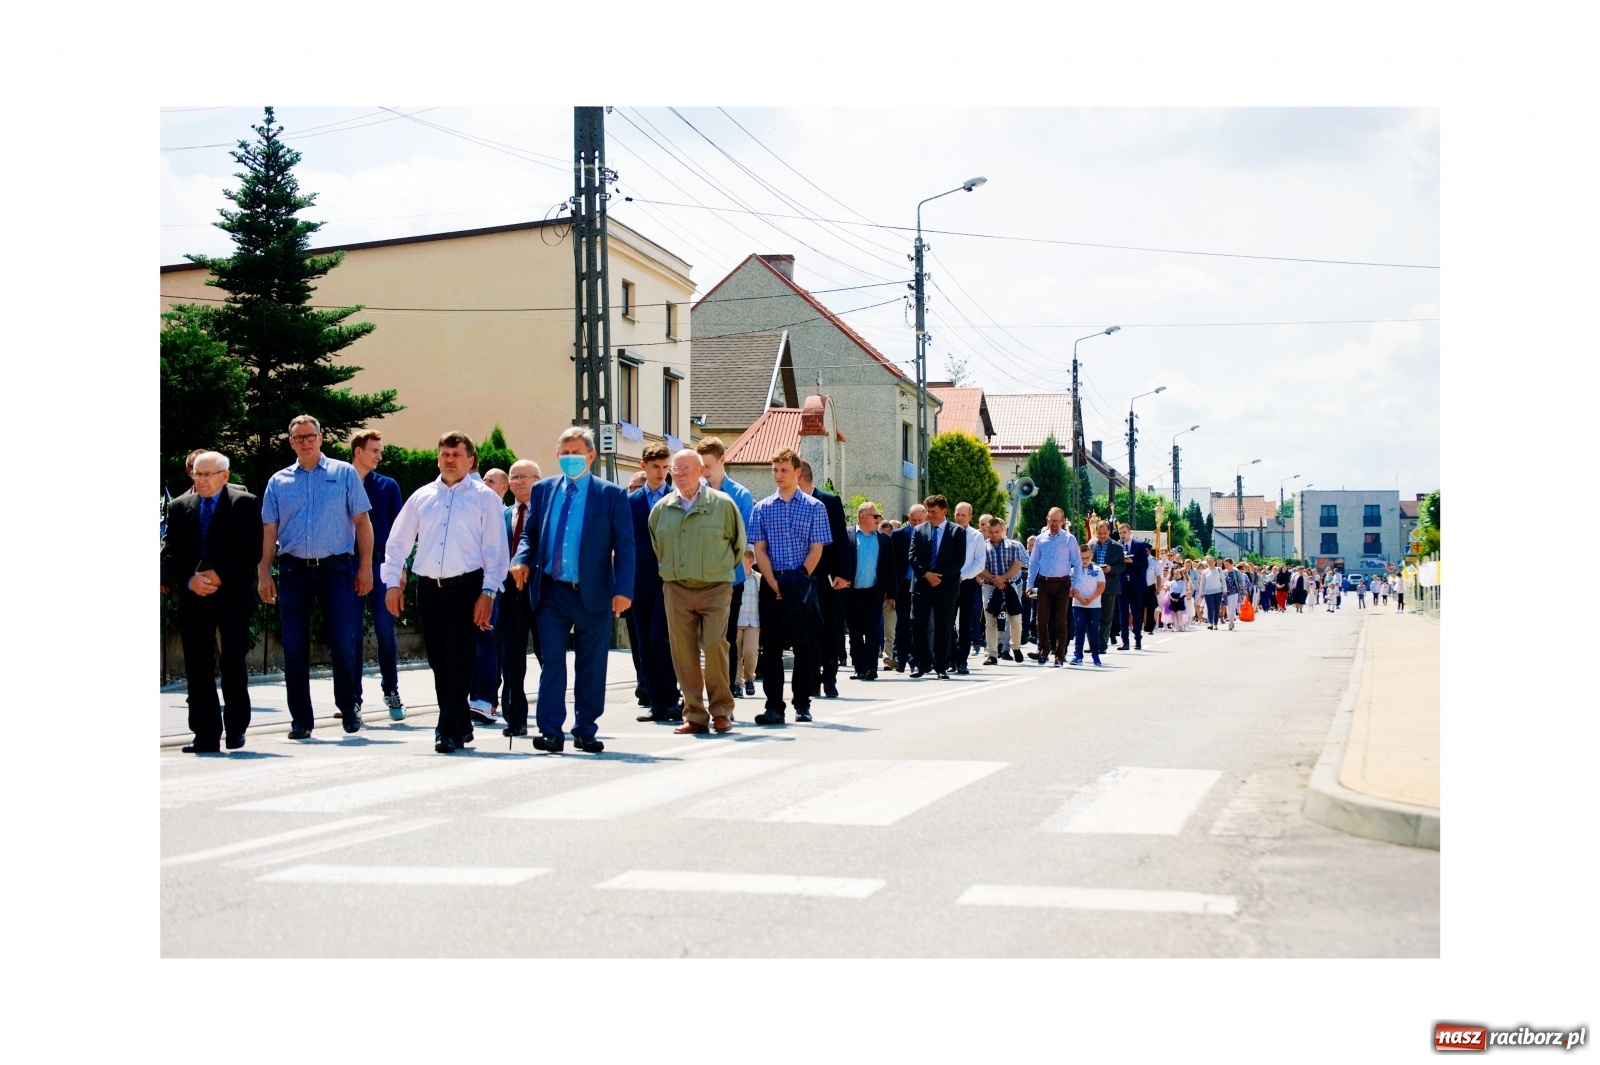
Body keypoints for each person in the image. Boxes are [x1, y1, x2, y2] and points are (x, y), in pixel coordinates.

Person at [508, 426, 635, 753]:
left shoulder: (611, 495)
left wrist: (623, 590)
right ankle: (551, 731)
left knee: (591, 664)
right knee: (552, 661)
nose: (570, 459)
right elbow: (529, 535)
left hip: (593, 592)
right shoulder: (543, 490)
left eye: (577, 453)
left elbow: (625, 545)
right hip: (551, 590)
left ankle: (585, 728)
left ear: (591, 456)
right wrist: (521, 559)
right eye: (565, 453)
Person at [381, 431, 508, 754]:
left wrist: (488, 592)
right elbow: (397, 542)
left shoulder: (485, 498)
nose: (450, 460)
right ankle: (462, 724)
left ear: (470, 461)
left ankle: (447, 729)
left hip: (468, 587)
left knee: (458, 660)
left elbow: (495, 550)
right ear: (438, 458)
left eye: (456, 455)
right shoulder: (422, 496)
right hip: (429, 589)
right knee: (438, 661)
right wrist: (393, 583)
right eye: (445, 454)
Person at [258, 414, 374, 739]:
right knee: (294, 646)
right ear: (291, 442)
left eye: (311, 436)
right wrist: (264, 572)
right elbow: (269, 530)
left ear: (321, 438)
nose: (306, 441)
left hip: (336, 569)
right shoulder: (278, 481)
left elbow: (363, 523)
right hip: (293, 570)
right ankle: (301, 720)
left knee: (342, 640)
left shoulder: (344, 473)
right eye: (299, 437)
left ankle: (349, 707)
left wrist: (364, 567)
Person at [162, 452, 264, 753]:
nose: (202, 480)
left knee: (232, 660)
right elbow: (170, 554)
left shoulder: (244, 503)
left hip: (232, 594)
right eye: (197, 474)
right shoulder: (179, 507)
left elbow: (251, 552)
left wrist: (219, 576)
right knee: (197, 665)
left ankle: (235, 729)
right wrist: (190, 580)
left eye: (208, 474)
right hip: (195, 597)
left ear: (225, 476)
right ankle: (205, 734)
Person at [649, 449, 745, 735]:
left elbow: (738, 546)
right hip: (676, 588)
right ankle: (694, 714)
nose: (679, 475)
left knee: (715, 646)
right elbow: (658, 547)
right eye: (674, 470)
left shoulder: (723, 504)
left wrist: (718, 571)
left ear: (701, 471)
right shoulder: (661, 509)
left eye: (686, 469)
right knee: (683, 653)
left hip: (715, 587)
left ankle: (721, 712)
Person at [747, 448, 831, 724]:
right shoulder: (762, 508)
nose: (778, 475)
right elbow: (759, 549)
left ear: (797, 473)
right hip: (773, 583)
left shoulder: (815, 507)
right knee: (770, 646)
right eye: (774, 470)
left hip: (801, 583)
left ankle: (802, 703)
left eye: (784, 470)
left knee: (803, 646)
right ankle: (773, 705)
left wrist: (797, 580)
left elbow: (816, 549)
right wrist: (774, 583)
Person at [350, 430, 407, 720]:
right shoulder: (339, 483)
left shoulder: (387, 486)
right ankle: (352, 698)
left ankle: (391, 690)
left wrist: (401, 568)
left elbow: (400, 530)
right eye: (374, 450)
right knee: (351, 634)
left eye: (380, 450)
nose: (379, 456)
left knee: (386, 631)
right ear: (358, 451)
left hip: (381, 566)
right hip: (346, 566)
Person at [697, 436, 755, 702]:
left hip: (730, 578)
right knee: (698, 639)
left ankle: (728, 688)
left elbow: (738, 538)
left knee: (726, 637)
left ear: (723, 460)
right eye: (701, 466)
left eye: (708, 465)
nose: (704, 471)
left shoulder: (741, 495)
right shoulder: (693, 492)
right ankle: (696, 690)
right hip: (697, 579)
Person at [629, 442, 681, 724]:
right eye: (655, 467)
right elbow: (623, 544)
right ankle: (656, 703)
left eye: (665, 467)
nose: (661, 473)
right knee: (644, 644)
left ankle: (673, 698)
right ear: (644, 467)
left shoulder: (677, 499)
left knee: (660, 638)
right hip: (639, 582)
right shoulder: (631, 502)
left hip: (669, 580)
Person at [496, 459, 542, 737]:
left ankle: (552, 715)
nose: (520, 482)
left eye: (526, 477)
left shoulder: (547, 514)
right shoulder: (502, 515)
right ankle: (515, 719)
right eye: (514, 477)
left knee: (547, 656)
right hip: (509, 594)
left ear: (539, 481)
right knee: (511, 659)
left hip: (540, 593)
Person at [796, 460, 849, 698]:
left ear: (800, 476)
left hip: (825, 577)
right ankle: (811, 678)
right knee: (805, 630)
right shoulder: (790, 503)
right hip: (800, 577)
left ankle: (829, 677)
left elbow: (841, 540)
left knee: (828, 627)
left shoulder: (829, 501)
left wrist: (843, 574)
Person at [467, 468, 511, 725]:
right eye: (484, 479)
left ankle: (486, 698)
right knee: (477, 640)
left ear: (503, 487)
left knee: (487, 638)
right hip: (473, 582)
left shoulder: (504, 513)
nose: (485, 483)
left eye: (492, 481)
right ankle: (479, 697)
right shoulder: (476, 506)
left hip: (495, 585)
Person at [909, 494, 966, 680]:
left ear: (944, 511)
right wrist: (927, 575)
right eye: (928, 511)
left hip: (945, 587)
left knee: (944, 627)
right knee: (919, 625)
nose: (930, 515)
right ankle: (922, 662)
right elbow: (913, 556)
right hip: (922, 586)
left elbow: (958, 560)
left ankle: (941, 665)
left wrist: (939, 577)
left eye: (933, 512)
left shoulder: (957, 532)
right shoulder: (919, 530)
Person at [843, 500, 894, 681]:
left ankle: (872, 667)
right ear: (863, 517)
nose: (879, 519)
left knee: (873, 630)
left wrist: (891, 594)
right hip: (852, 593)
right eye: (875, 516)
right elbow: (838, 561)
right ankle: (858, 667)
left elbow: (890, 568)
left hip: (874, 593)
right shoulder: (846, 535)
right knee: (855, 632)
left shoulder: (884, 540)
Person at [1027, 508, 1079, 667]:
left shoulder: (1069, 539)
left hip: (1063, 583)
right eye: (1052, 520)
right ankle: (1044, 648)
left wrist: (1074, 585)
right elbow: (1033, 562)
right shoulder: (1040, 539)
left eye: (1058, 521)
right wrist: (1029, 584)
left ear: (1063, 521)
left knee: (1060, 620)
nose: (1055, 524)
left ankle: (1059, 653)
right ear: (1047, 520)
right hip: (1044, 582)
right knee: (1041, 620)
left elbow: (1076, 563)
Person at [980, 515, 1026, 665]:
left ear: (1003, 530)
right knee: (990, 620)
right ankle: (992, 654)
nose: (994, 535)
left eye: (997, 531)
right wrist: (995, 579)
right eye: (991, 532)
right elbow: (980, 567)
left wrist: (1003, 578)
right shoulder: (983, 547)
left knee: (1015, 619)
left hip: (1009, 585)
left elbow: (1017, 565)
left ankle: (1016, 646)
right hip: (989, 586)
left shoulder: (1012, 545)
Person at [951, 502, 988, 674]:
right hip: (948, 583)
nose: (959, 518)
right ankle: (951, 658)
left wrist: (962, 576)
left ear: (970, 517)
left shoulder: (976, 536)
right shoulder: (948, 532)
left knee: (965, 623)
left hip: (967, 583)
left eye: (963, 515)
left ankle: (962, 661)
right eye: (957, 514)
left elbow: (979, 563)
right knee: (947, 622)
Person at [888, 504, 926, 673]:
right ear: (907, 519)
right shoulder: (897, 535)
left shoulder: (929, 534)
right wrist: (890, 590)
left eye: (919, 520)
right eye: (913, 520)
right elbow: (892, 563)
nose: (916, 523)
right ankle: (899, 658)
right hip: (903, 584)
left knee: (917, 623)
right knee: (902, 622)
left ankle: (915, 659)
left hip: (922, 584)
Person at [1091, 522, 1126, 654]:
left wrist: (1110, 569)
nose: (1102, 536)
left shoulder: (1117, 547)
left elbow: (1122, 566)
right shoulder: (1091, 545)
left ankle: (1102, 644)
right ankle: (1093, 643)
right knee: (1093, 615)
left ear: (1109, 532)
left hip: (1110, 585)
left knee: (1106, 616)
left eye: (1104, 533)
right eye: (1099, 534)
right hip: (1093, 585)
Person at [1070, 543, 1107, 667]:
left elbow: (1101, 586)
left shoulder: (1097, 570)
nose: (1084, 561)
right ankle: (1078, 655)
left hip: (1094, 605)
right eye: (1082, 558)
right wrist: (1079, 598)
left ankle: (1095, 654)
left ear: (1091, 556)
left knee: (1093, 631)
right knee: (1079, 630)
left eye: (1087, 558)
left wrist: (1091, 598)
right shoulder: (1073, 571)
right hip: (1078, 604)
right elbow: (1070, 588)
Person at [736, 547, 761, 697]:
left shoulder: (759, 578)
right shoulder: (735, 579)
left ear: (750, 561)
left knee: (751, 652)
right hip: (738, 620)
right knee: (737, 654)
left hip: (753, 621)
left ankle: (749, 677)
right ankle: (737, 683)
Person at [1199, 558, 1226, 630]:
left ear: (1215, 562)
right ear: (1207, 563)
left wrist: (1224, 590)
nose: (1210, 563)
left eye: (1212, 562)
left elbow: (1223, 580)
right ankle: (1210, 623)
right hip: (1208, 592)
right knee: (1210, 607)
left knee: (1217, 608)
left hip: (1218, 591)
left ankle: (1215, 623)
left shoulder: (1219, 570)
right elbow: (1202, 582)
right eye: (1209, 562)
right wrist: (1201, 592)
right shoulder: (1205, 571)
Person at [1167, 566, 1190, 632]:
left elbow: (1183, 591)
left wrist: (1178, 597)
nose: (1176, 576)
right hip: (1173, 599)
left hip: (1180, 599)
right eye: (1175, 574)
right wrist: (1173, 598)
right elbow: (1170, 591)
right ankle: (1177, 625)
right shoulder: (1172, 582)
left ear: (1181, 575)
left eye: (1178, 574)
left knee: (1179, 612)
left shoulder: (1182, 583)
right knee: (1175, 612)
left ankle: (1179, 625)